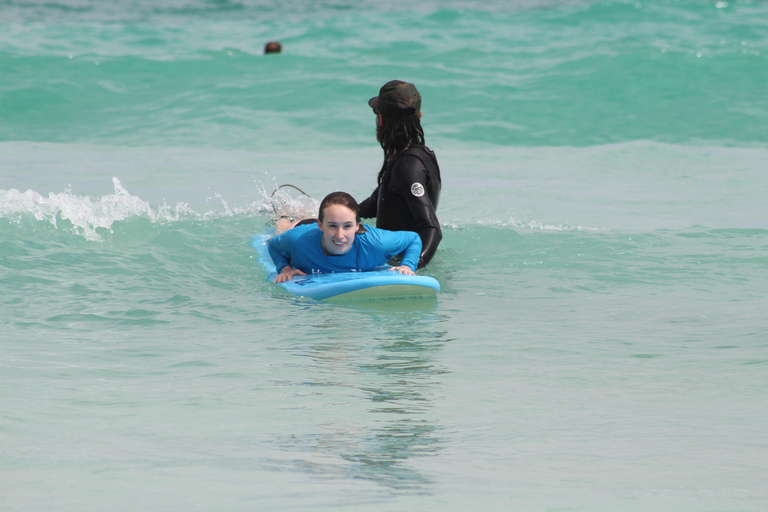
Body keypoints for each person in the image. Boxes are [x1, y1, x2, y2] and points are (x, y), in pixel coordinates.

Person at [358, 80, 442, 269]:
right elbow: (373, 205)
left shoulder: (408, 166)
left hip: (398, 264)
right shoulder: (415, 157)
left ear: (381, 120)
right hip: (396, 259)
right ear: (419, 116)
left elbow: (432, 228)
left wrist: (410, 266)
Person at [268, 192, 421, 283]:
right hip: (303, 229)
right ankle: (286, 216)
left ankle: (313, 215)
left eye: (347, 226)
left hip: (322, 224)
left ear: (357, 226)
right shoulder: (298, 240)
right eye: (333, 226)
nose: (340, 236)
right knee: (283, 225)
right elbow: (273, 246)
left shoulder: (376, 243)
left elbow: (413, 239)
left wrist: (407, 266)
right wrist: (285, 268)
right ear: (321, 225)